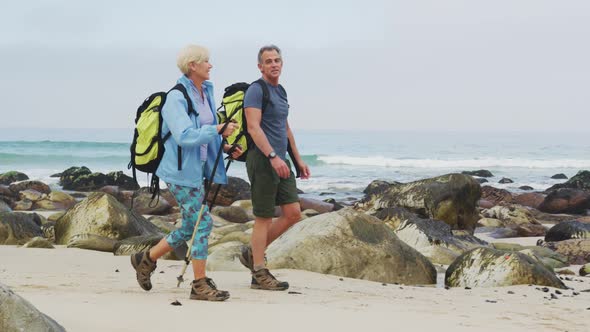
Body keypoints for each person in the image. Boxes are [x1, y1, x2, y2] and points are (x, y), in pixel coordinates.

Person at [130, 44, 241, 301]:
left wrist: (224, 145)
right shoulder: (175, 98)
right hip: (178, 171)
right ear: (193, 65)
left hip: (196, 168)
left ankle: (145, 259)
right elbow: (184, 136)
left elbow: (207, 130)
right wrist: (218, 129)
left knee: (191, 224)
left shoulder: (206, 92)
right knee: (203, 223)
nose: (210, 65)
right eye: (206, 61)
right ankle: (199, 284)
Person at [240, 45, 311, 290]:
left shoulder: (280, 91)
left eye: (277, 60)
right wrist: (272, 156)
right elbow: (253, 127)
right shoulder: (255, 90)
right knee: (264, 217)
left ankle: (253, 254)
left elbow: (285, 127)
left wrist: (297, 159)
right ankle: (259, 272)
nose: (274, 64)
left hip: (282, 160)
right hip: (263, 160)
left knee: (293, 213)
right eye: (268, 61)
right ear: (260, 66)